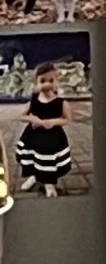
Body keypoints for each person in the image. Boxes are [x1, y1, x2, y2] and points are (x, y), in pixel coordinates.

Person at [16, 63, 72, 192]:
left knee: (48, 160)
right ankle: (34, 176)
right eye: (42, 81)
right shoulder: (34, 101)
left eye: (51, 80)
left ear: (57, 81)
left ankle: (48, 181)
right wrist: (32, 119)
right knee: (34, 157)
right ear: (36, 82)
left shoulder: (60, 103)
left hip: (52, 137)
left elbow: (67, 119)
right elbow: (22, 115)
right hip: (33, 136)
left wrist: (53, 122)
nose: (47, 84)